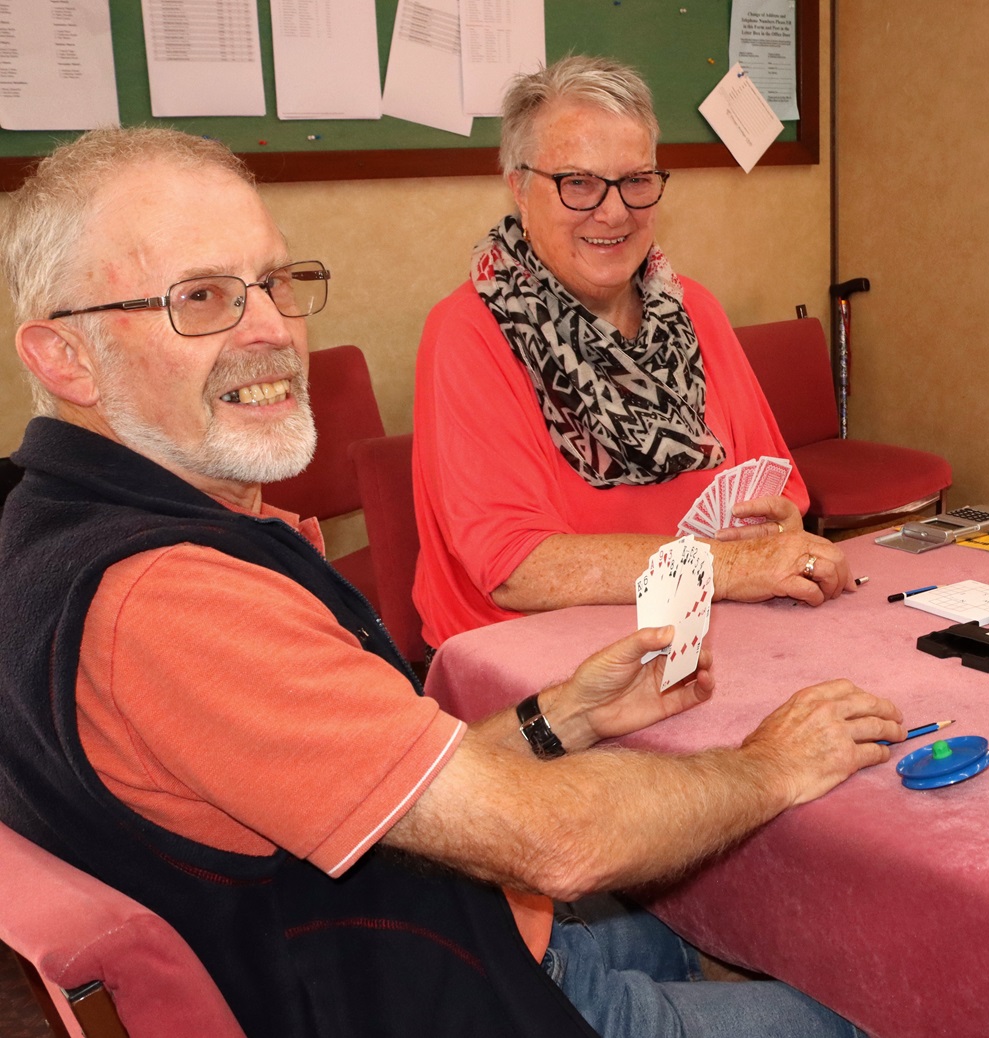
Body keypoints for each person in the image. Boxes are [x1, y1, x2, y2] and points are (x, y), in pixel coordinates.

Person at [0, 126, 904, 1038]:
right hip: (426, 994)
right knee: (884, 1013)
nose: (273, 330)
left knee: (702, 937)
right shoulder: (175, 601)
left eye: (274, 283)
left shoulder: (53, 524)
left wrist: (558, 718)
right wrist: (769, 766)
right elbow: (558, 839)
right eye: (200, 297)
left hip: (437, 927)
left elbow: (365, 778)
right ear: (62, 357)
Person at [413, 56, 849, 648]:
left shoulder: (695, 308)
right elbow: (516, 569)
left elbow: (776, 492)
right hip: (538, 656)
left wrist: (778, 531)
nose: (614, 211)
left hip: (705, 628)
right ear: (519, 186)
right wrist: (734, 568)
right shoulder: (466, 332)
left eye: (637, 181)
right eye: (579, 183)